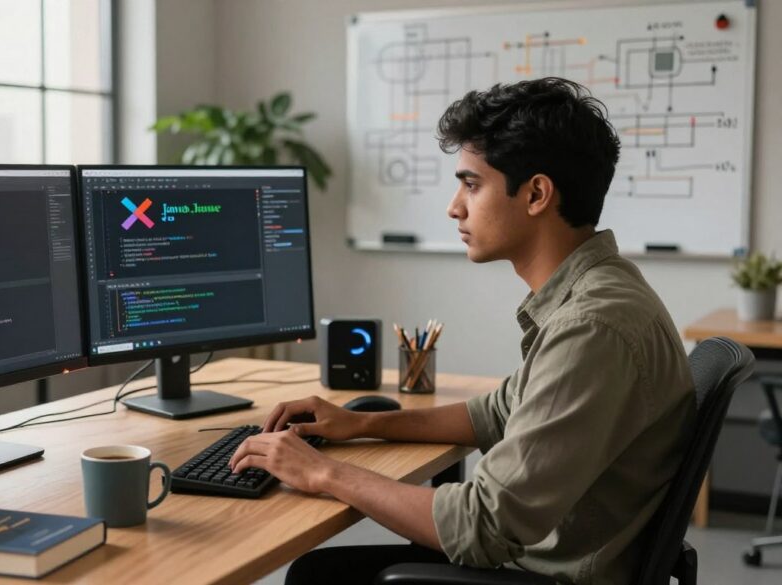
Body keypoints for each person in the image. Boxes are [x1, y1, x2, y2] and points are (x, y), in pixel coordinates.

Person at [228, 77, 695, 585]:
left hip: (548, 573)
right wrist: (360, 425)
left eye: (471, 184)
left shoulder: (592, 327)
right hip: (550, 553)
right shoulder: (599, 291)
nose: (455, 207)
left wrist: (324, 472)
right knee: (325, 570)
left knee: (318, 577)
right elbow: (496, 412)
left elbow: (481, 526)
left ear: (537, 193)